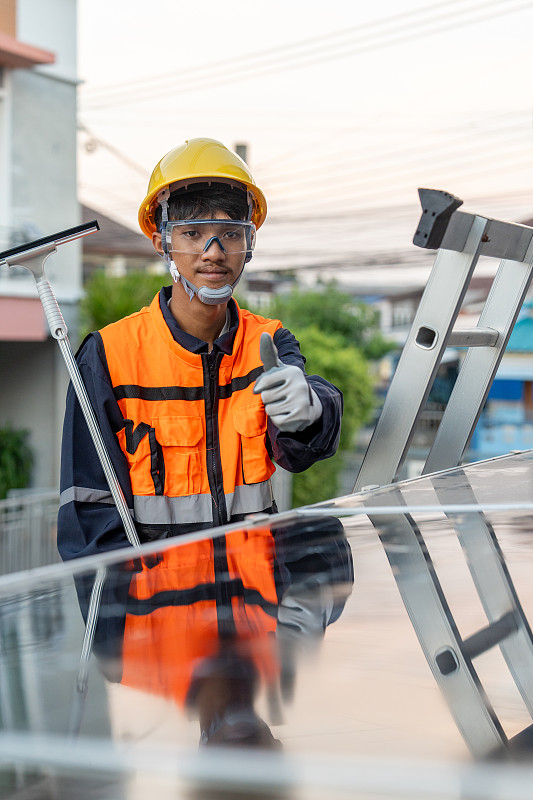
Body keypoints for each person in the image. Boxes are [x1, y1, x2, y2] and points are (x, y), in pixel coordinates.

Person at [57, 136, 343, 560]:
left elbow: (299, 452)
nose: (214, 253)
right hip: (160, 616)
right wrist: (122, 622)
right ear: (162, 242)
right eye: (193, 234)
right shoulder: (108, 356)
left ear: (249, 243)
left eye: (230, 234)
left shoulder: (268, 341)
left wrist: (313, 411)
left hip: (255, 610)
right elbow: (89, 519)